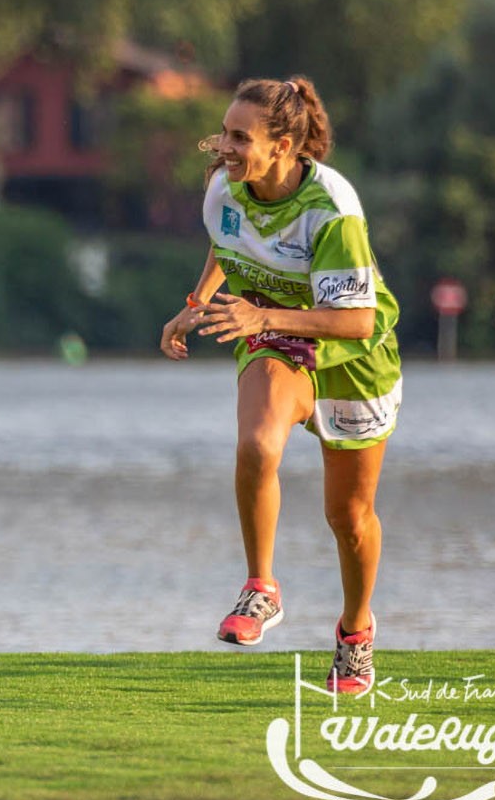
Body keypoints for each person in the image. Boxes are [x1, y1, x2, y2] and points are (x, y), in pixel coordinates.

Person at [159, 77, 402, 694]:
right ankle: (261, 587)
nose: (224, 146)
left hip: (352, 356)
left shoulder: (332, 211)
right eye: (225, 131)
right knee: (258, 445)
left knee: (349, 517)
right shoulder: (223, 186)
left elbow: (358, 319)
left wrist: (260, 314)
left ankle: (355, 633)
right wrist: (199, 301)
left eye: (240, 137)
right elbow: (228, 241)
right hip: (271, 335)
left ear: (285, 145)